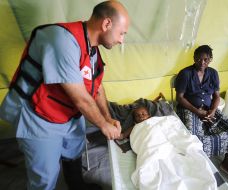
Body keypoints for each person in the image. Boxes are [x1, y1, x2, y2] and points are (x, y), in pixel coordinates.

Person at [0, 1, 130, 190]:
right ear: (106, 24)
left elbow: (97, 88)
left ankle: (76, 184)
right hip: (39, 116)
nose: (121, 40)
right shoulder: (61, 40)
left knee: (74, 151)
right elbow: (81, 98)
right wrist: (103, 125)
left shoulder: (92, 49)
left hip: (68, 115)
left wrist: (108, 118)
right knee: (45, 178)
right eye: (122, 33)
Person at [175, 45, 228, 188]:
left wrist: (213, 110)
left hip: (208, 109)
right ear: (194, 58)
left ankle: (227, 164)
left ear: (210, 60)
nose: (202, 62)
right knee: (195, 139)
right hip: (189, 109)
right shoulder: (185, 73)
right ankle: (197, 170)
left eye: (206, 59)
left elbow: (217, 96)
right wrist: (196, 111)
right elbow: (180, 98)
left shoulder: (213, 73)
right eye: (199, 59)